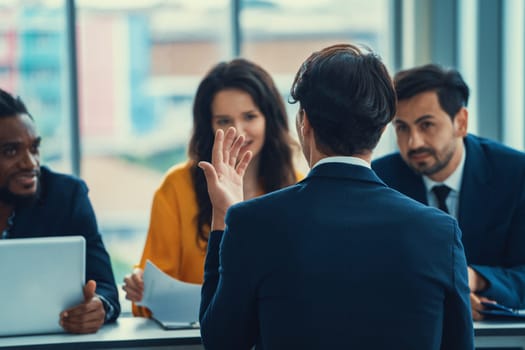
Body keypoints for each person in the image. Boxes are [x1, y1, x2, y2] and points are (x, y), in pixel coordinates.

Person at [198, 44, 473, 349]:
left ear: (304, 123)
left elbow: (221, 342)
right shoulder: (439, 232)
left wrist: (223, 215)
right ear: (382, 129)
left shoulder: (252, 222)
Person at [123, 58, 301, 317]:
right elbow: (152, 291)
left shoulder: (297, 186)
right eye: (223, 121)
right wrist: (141, 287)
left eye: (249, 116)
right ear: (208, 126)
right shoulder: (176, 187)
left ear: (269, 120)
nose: (237, 132)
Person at [372, 63, 525, 320]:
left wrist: (475, 279)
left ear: (461, 123)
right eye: (402, 128)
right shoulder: (380, 180)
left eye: (426, 125)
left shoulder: (515, 174)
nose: (414, 142)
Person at [0, 88, 120, 334]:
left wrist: (98, 306)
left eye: (34, 148)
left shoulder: (66, 196)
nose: (31, 163)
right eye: (11, 151)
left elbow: (106, 287)